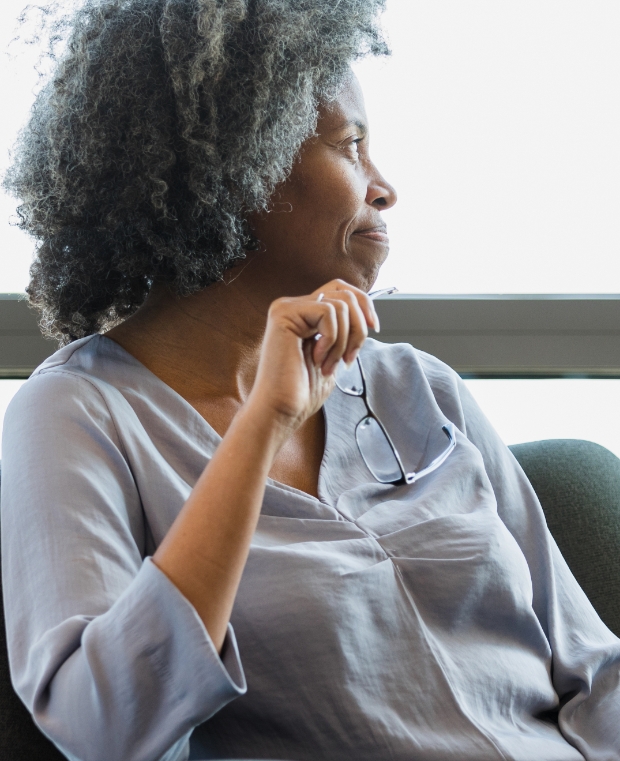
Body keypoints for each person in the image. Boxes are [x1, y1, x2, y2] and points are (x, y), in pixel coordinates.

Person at [1, 1, 619, 760]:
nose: (384, 187)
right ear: (240, 170)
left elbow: (596, 673)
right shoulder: (75, 414)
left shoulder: (421, 389)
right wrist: (261, 424)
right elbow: (103, 728)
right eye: (351, 145)